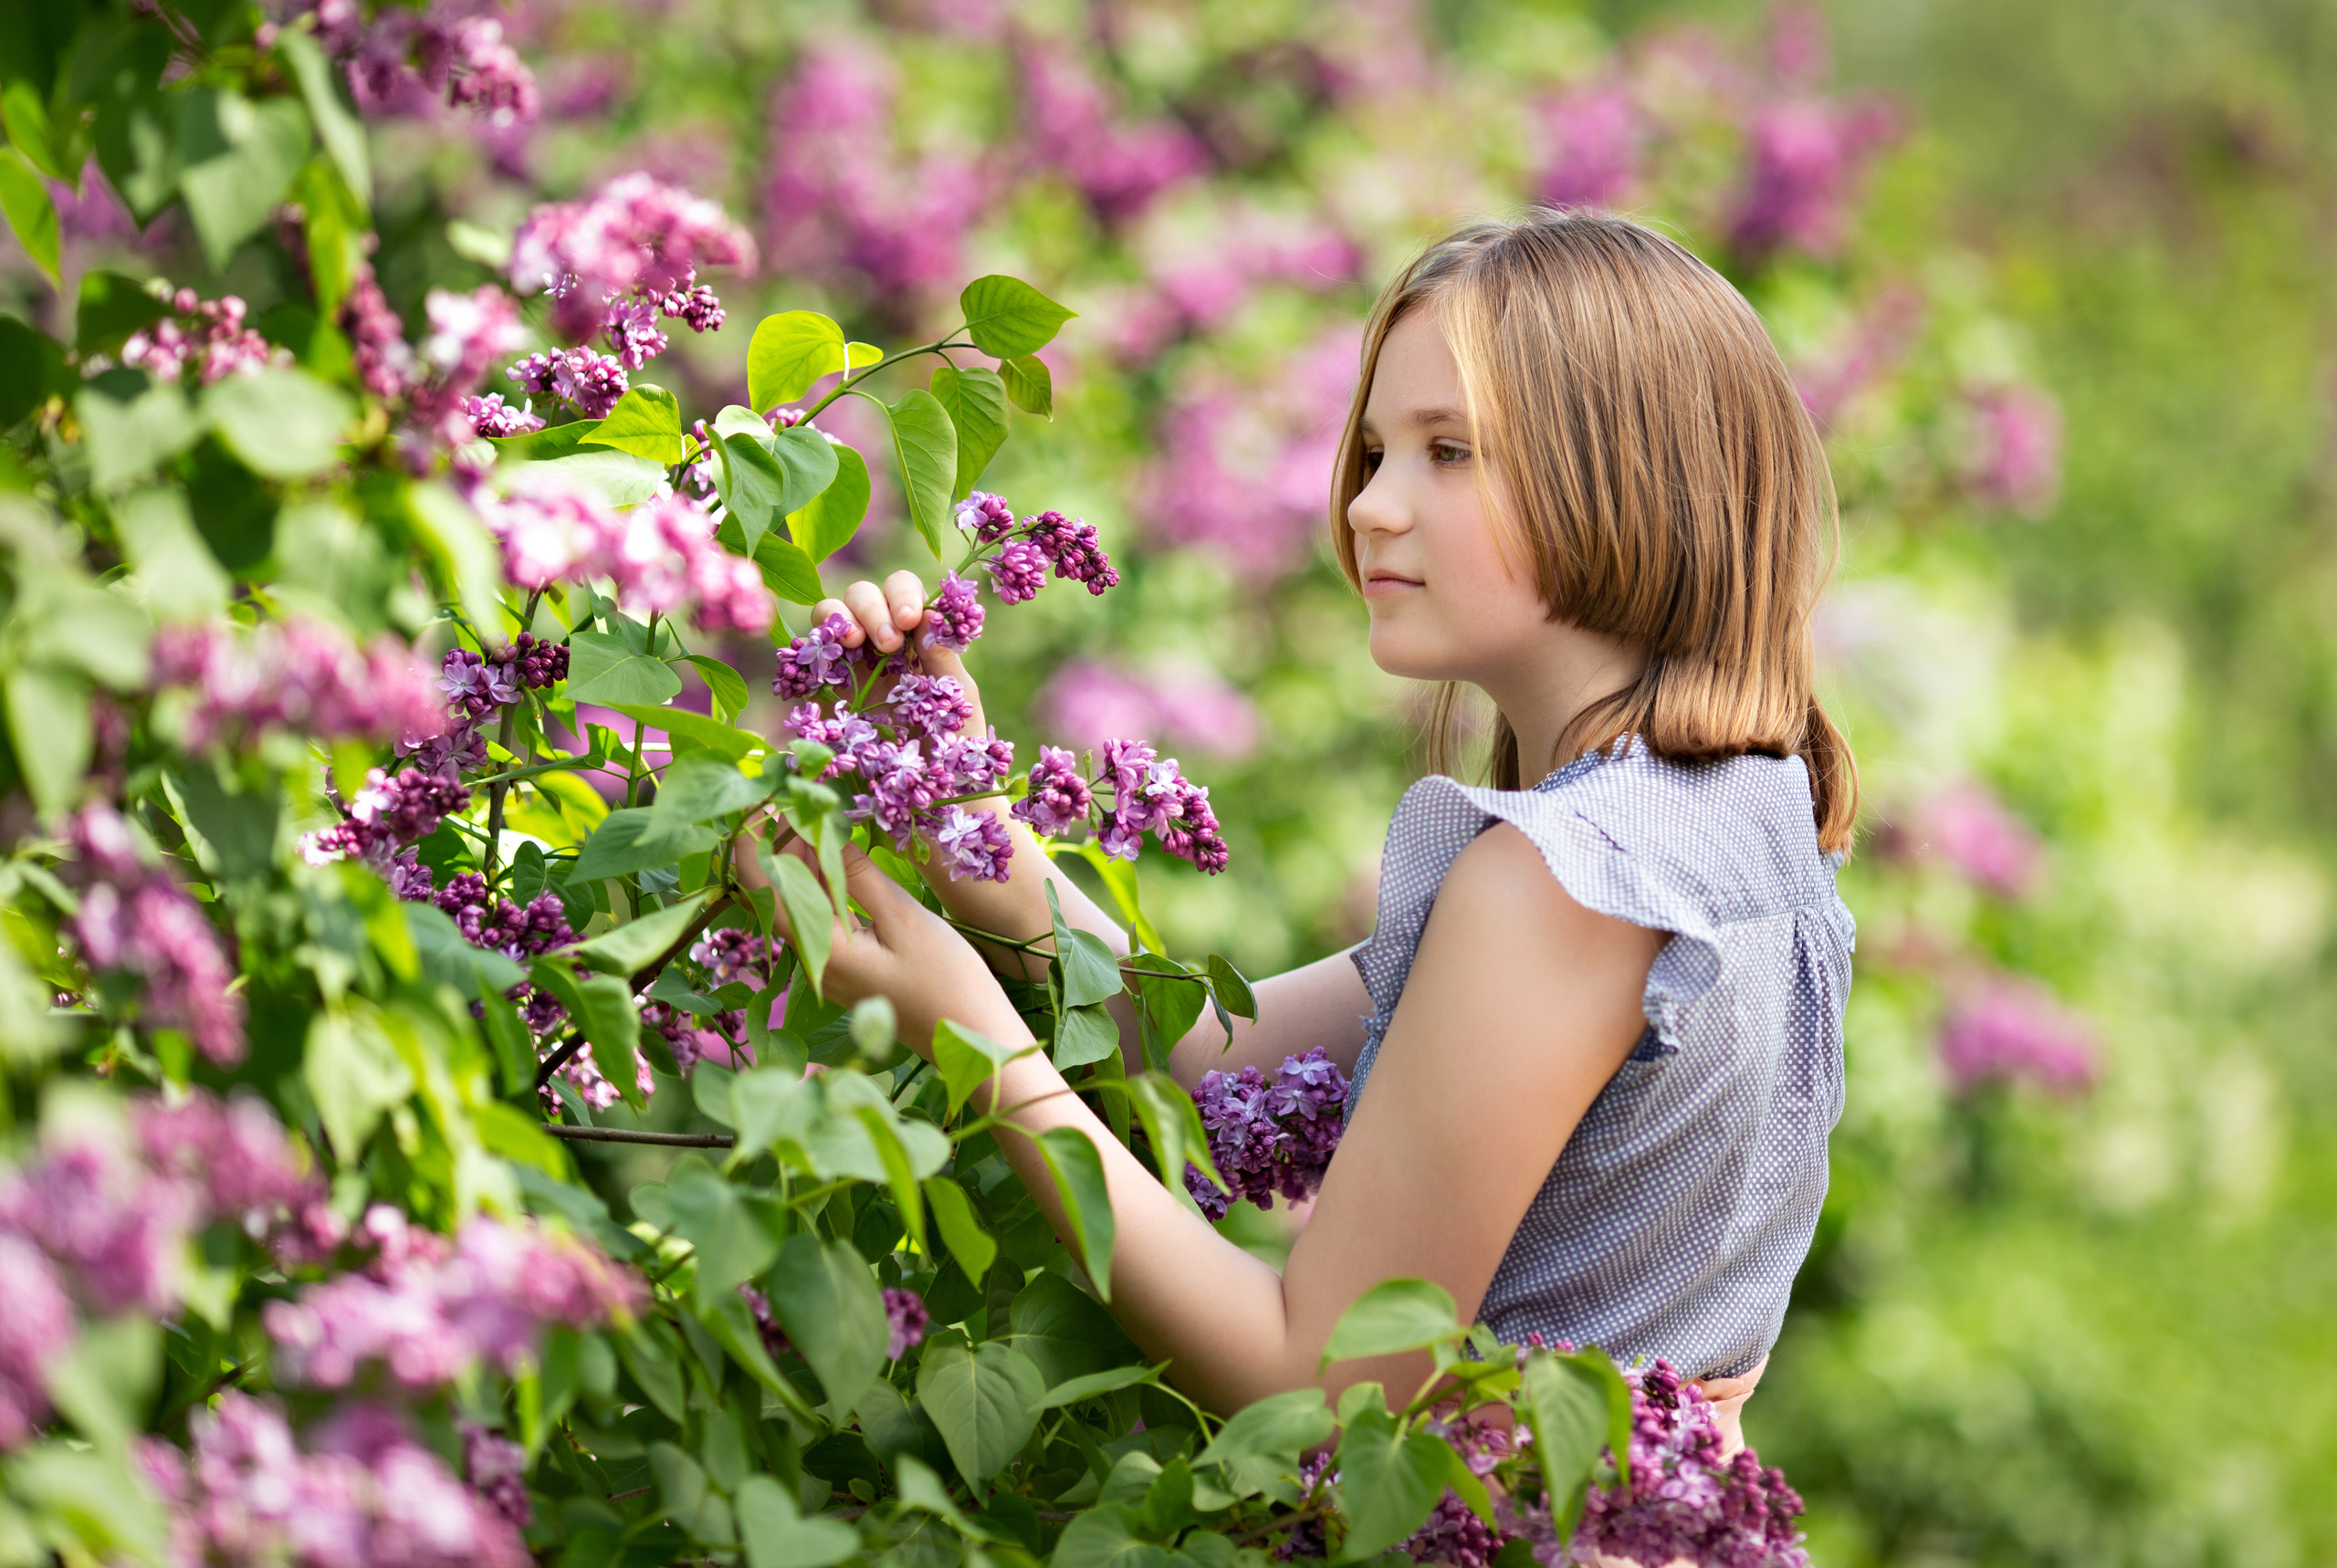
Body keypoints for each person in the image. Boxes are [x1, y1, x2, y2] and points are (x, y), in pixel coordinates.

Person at [749, 210, 1857, 1447]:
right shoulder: (1743, 819)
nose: (1373, 505)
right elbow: (1206, 1062)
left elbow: (1319, 1389)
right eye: (1375, 451)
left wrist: (978, 1043)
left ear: (1631, 479)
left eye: (1449, 451)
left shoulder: (1563, 884)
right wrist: (970, 817)